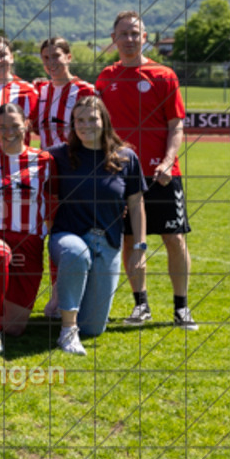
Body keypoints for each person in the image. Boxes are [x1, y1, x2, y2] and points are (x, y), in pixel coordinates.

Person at [97, 11, 197, 330]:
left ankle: (181, 309)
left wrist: (168, 161)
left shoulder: (163, 75)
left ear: (145, 37)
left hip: (162, 174)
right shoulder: (105, 78)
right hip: (122, 175)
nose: (129, 39)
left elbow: (176, 125)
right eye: (123, 33)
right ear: (114, 39)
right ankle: (141, 306)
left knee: (174, 238)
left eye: (135, 33)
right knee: (129, 241)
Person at [49, 96, 145, 354]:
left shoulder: (126, 157)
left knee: (92, 328)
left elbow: (136, 205)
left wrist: (140, 246)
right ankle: (67, 331)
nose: (85, 124)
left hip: (107, 243)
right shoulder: (58, 155)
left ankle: (68, 293)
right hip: (68, 236)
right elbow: (20, 161)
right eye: (79, 120)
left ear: (104, 121)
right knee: (75, 253)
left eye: (92, 118)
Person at [0, 103, 55, 355]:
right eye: (2, 127)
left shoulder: (45, 160)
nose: (9, 131)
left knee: (15, 328)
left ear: (26, 125)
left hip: (29, 244)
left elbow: (52, 205)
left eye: (15, 126)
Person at [33, 36, 96, 319]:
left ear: (69, 57)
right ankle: (58, 295)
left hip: (76, 172)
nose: (51, 63)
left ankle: (74, 298)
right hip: (48, 173)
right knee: (54, 232)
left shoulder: (85, 90)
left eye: (56, 56)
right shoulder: (42, 91)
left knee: (77, 234)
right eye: (46, 58)